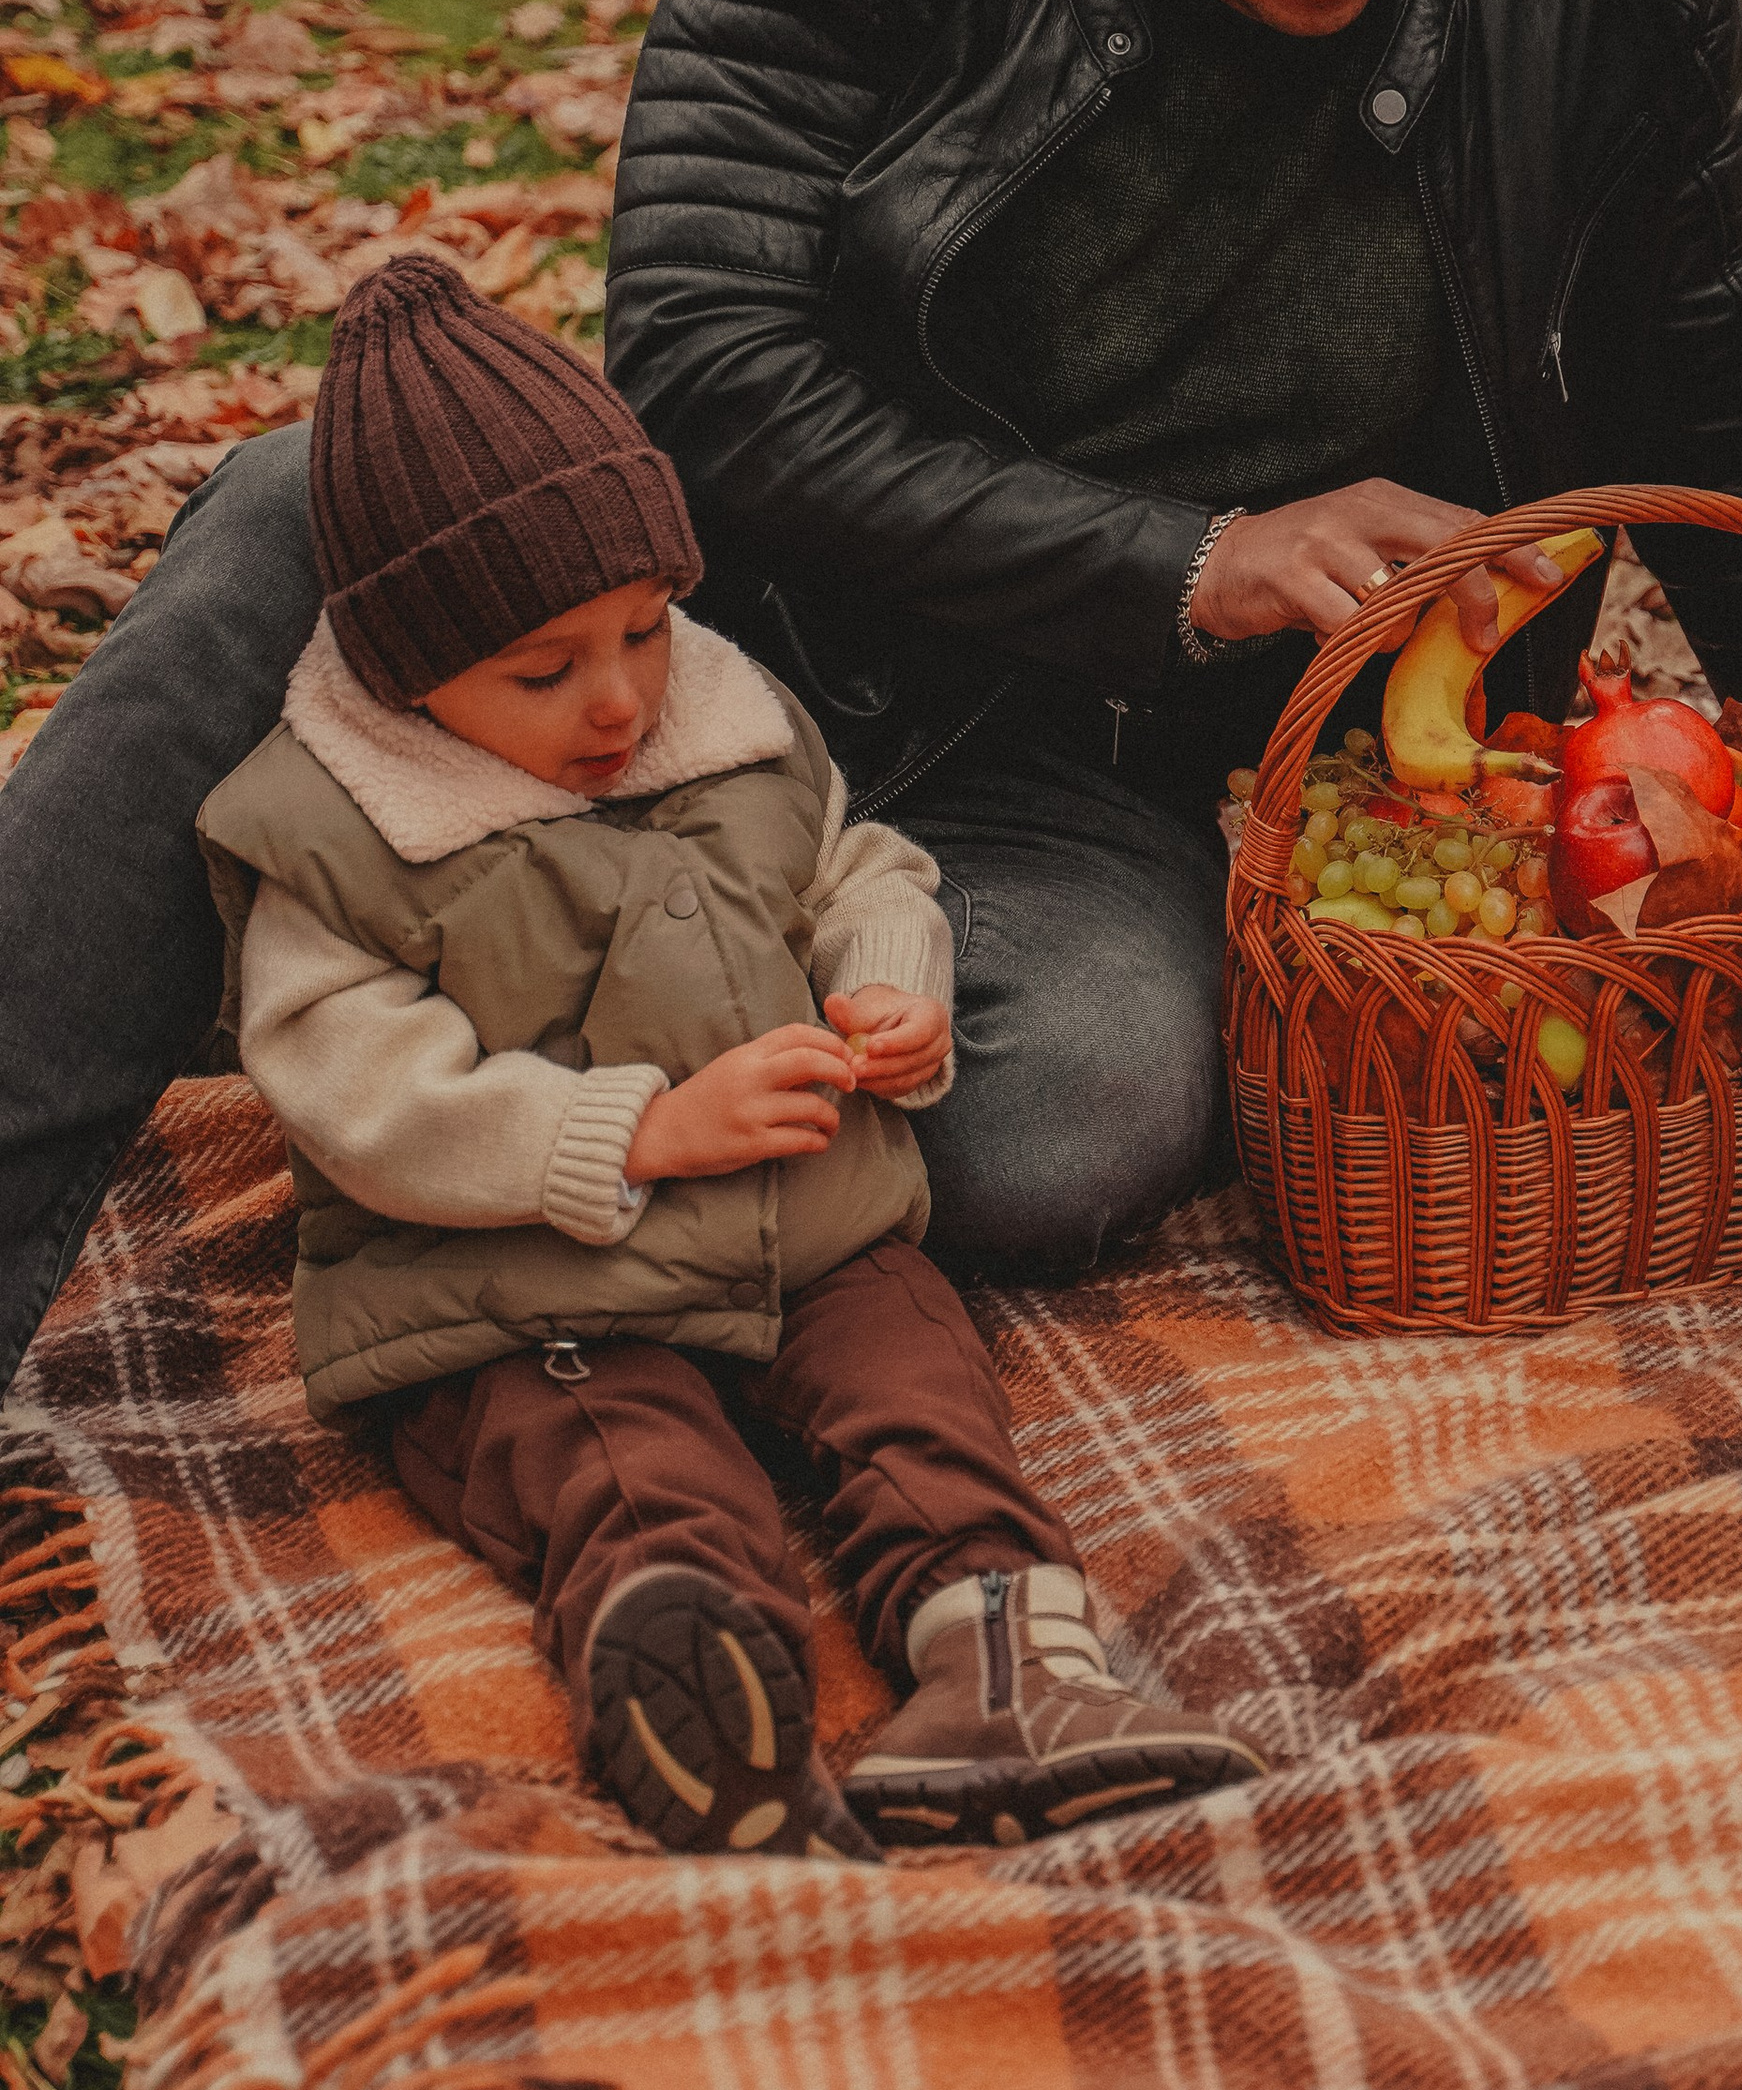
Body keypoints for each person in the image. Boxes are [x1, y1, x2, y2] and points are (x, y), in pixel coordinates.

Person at [0, 0, 1742, 1388]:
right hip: (711, 659)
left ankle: (475, 1017)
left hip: (1083, 800)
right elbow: (707, 386)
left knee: (1074, 1120)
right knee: (305, 511)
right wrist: (1188, 561)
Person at [197, 254, 1261, 1857]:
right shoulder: (342, 828)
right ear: (406, 674)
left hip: (801, 1215)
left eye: (642, 629)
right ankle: (689, 1657)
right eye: (546, 673)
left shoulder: (722, 710)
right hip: (517, 1277)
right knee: (608, 1450)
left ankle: (1000, 1649)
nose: (619, 699)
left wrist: (891, 983)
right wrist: (630, 1138)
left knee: (915, 1380)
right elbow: (354, 1087)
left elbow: (857, 867)